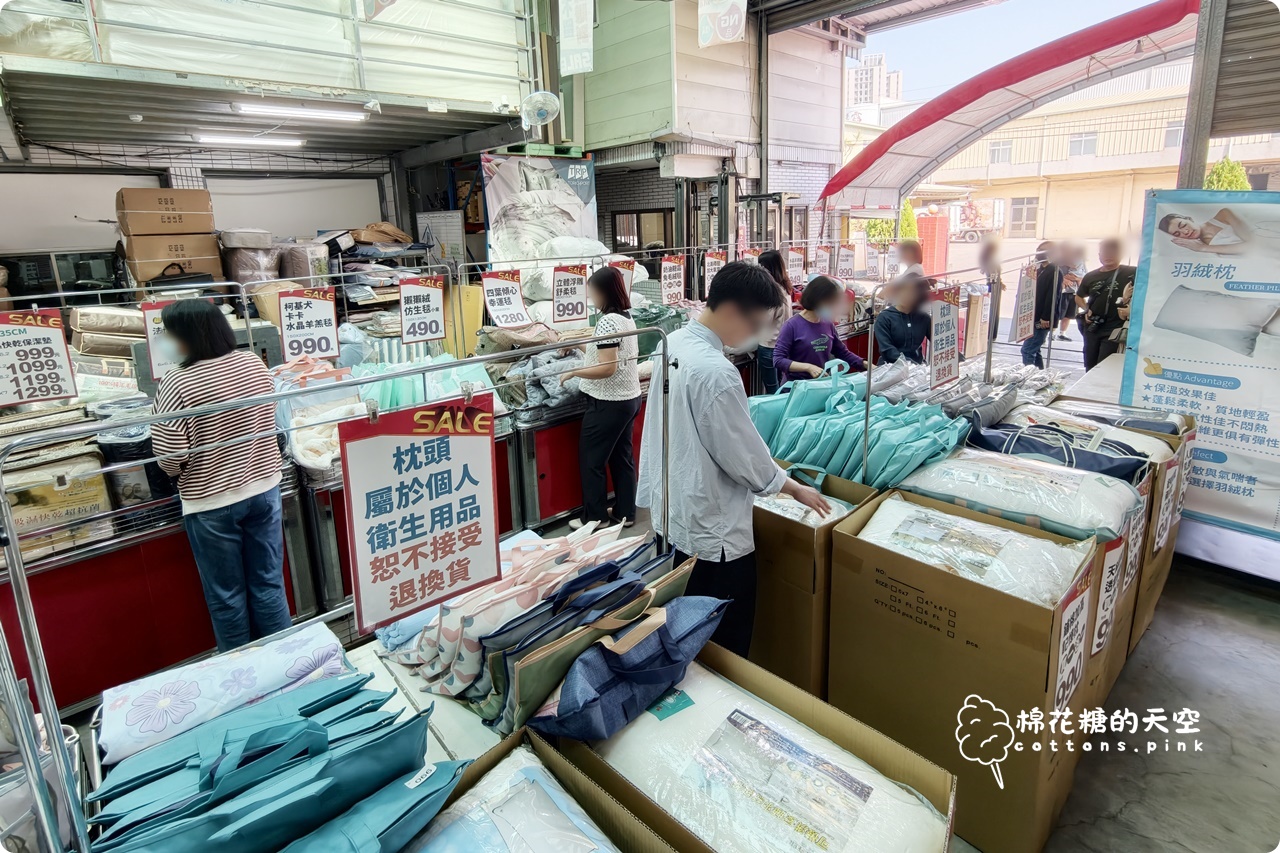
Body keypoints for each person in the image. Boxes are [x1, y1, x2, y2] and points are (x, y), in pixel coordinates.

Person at [636, 262, 830, 656]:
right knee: (723, 637)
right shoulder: (717, 372)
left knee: (678, 624)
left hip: (673, 510)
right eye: (756, 324)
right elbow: (744, 458)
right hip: (714, 531)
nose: (756, 336)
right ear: (732, 312)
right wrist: (792, 487)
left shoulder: (671, 342)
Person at [152, 300, 291, 652]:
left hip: (212, 501)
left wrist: (180, 472)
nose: (165, 339)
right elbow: (268, 416)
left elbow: (170, 454)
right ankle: (288, 664)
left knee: (227, 596)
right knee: (269, 583)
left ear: (187, 336)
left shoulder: (177, 382)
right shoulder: (251, 362)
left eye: (168, 333)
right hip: (265, 487)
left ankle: (241, 677)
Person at [563, 267, 642, 529]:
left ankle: (594, 518)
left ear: (604, 292)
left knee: (592, 461)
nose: (591, 299)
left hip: (608, 402)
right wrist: (578, 345)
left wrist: (574, 371)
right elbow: (604, 352)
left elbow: (608, 367)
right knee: (622, 458)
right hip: (629, 399)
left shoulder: (608, 321)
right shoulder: (625, 318)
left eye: (593, 293)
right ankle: (625, 513)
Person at [774, 276, 865, 381]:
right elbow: (778, 360)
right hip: (796, 389)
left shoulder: (828, 325)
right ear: (819, 300)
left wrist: (866, 364)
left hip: (820, 385)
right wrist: (808, 368)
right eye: (832, 303)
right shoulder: (792, 326)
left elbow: (843, 353)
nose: (835, 307)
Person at [1075, 238, 1137, 370]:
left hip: (1115, 328)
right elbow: (1079, 297)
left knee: (1105, 366)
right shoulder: (1090, 276)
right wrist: (1086, 309)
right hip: (1093, 327)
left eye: (1112, 252)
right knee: (1090, 365)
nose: (1108, 256)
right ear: (1099, 255)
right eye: (1104, 252)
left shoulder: (1132, 272)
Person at [754, 250, 794, 394]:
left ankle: (776, 416)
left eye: (761, 267)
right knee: (781, 388)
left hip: (768, 346)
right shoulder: (786, 288)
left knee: (772, 390)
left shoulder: (773, 292)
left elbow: (764, 321)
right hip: (783, 345)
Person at [873, 272, 932, 364]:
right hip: (891, 368)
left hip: (918, 367)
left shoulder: (924, 318)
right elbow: (887, 350)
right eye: (904, 289)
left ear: (920, 296)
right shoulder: (884, 318)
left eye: (913, 292)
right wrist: (910, 364)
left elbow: (939, 341)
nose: (907, 294)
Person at [1021, 242, 1060, 369]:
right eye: (1038, 250)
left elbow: (1052, 296)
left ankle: (1029, 375)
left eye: (1043, 250)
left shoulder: (1054, 271)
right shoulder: (1040, 270)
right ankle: (1039, 374)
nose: (1039, 253)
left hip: (1042, 318)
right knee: (1035, 350)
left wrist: (1046, 317)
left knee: (1027, 350)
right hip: (1033, 315)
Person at [1158, 209, 1250, 254]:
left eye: (1183, 225)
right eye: (1178, 234)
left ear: (1189, 219)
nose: (1185, 232)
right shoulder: (1195, 247)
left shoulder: (1223, 215)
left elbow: (1254, 245)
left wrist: (1203, 248)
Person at [1056, 243, 1085, 341]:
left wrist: (1076, 278)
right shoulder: (1057, 261)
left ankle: (1062, 333)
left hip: (1074, 291)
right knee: (1058, 313)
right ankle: (1050, 334)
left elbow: (1083, 274)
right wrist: (1063, 279)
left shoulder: (1079, 260)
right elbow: (1054, 274)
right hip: (1062, 292)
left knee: (1069, 314)